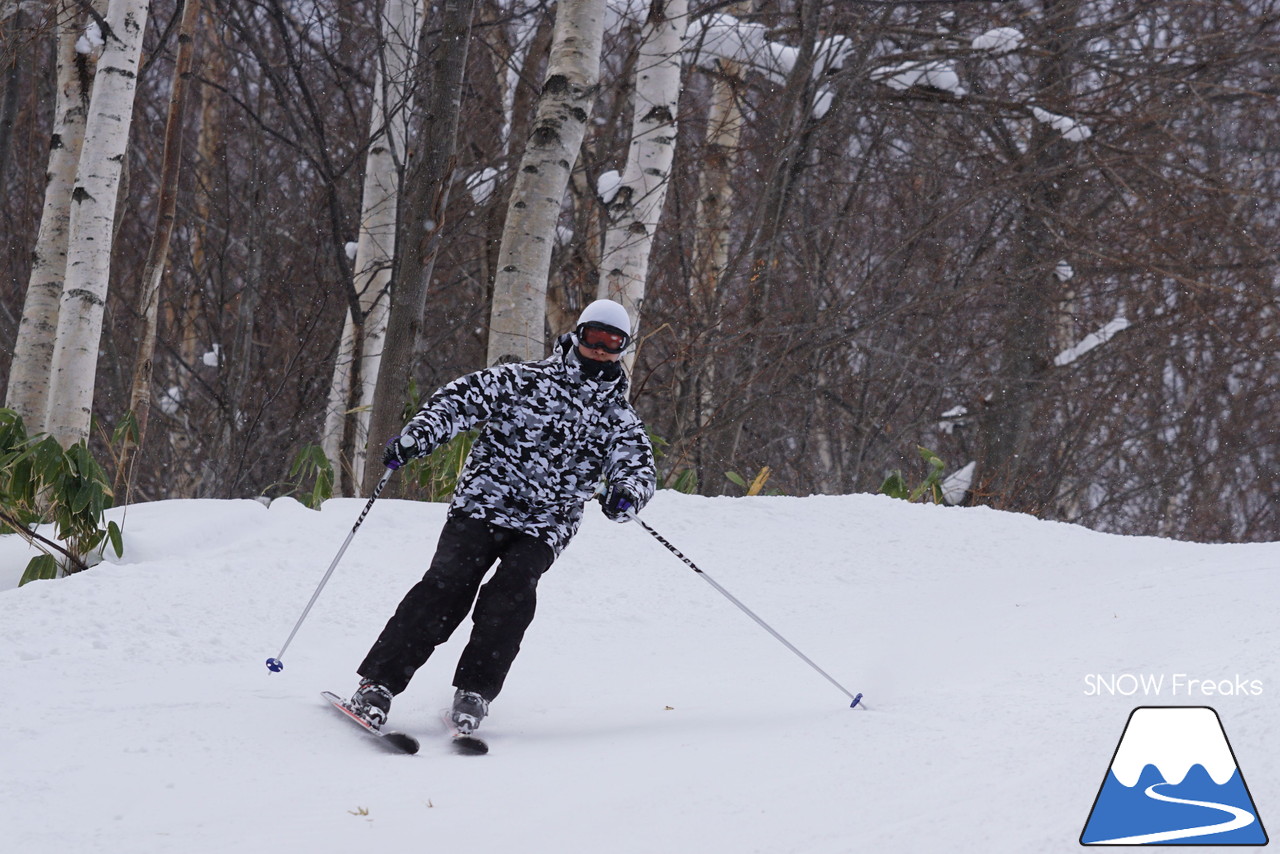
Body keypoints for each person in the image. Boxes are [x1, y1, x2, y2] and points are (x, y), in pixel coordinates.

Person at [349, 299, 656, 734]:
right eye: (594, 338)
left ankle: (474, 692)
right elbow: (459, 402)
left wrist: (627, 494)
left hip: (546, 524)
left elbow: (638, 467)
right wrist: (419, 436)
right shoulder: (522, 380)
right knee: (446, 586)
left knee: (512, 594)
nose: (601, 350)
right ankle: (377, 685)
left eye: (613, 343)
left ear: (623, 348)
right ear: (578, 335)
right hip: (483, 506)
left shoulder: (619, 418)